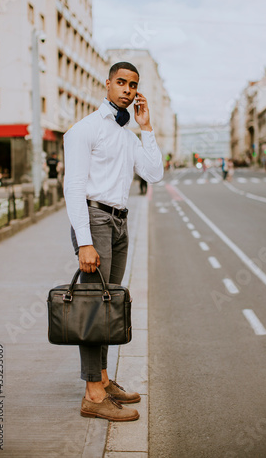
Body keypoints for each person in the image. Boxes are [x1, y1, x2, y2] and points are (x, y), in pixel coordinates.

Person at [63, 61, 163, 422]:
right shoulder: (85, 129)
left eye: (133, 84)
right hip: (93, 220)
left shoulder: (127, 134)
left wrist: (146, 127)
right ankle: (92, 394)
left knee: (108, 306)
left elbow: (154, 173)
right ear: (107, 85)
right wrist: (84, 242)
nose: (127, 89)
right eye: (121, 82)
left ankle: (103, 381)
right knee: (93, 308)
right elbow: (73, 188)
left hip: (119, 222)